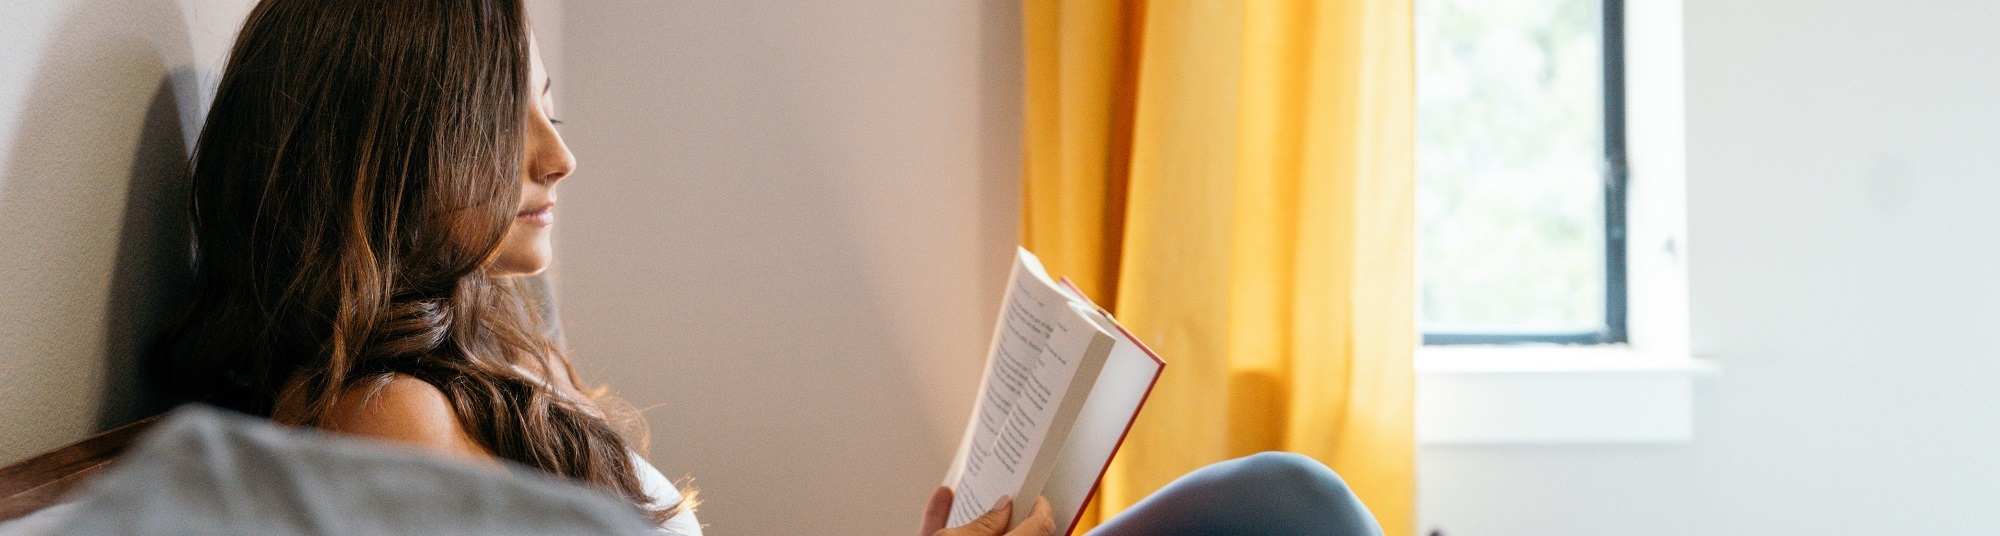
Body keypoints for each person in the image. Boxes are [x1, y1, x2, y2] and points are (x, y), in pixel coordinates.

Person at [151, 1, 1383, 535]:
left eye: (552, 107)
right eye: (509, 121)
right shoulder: (387, 419)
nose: (559, 157)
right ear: (396, 140)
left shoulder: (469, 363)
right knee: (1290, 508)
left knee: (1281, 502)